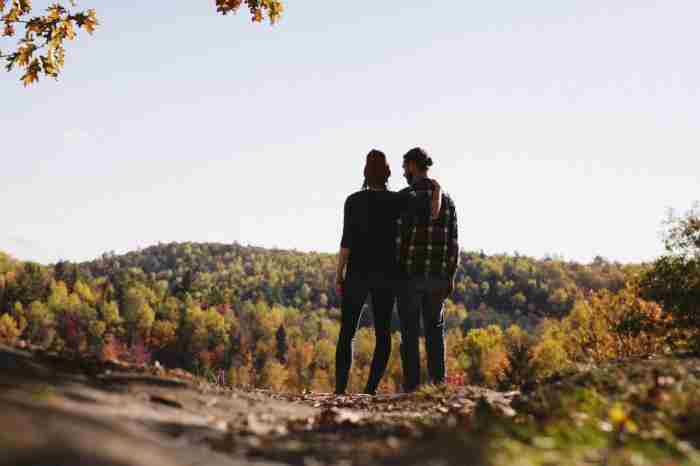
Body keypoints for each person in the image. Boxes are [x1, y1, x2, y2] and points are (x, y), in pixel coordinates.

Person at [334, 149, 441, 395]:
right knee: (383, 335)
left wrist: (339, 273)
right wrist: (437, 189)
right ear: (388, 173)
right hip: (386, 276)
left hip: (357, 274)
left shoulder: (353, 201)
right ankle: (369, 390)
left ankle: (339, 390)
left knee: (347, 332)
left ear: (364, 173)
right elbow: (433, 212)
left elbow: (346, 241)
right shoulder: (398, 200)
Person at [396, 147, 459, 392]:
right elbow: (454, 243)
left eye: (404, 167)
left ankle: (412, 388)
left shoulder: (406, 197)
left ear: (413, 165)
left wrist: (398, 272)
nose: (403, 172)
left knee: (410, 334)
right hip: (438, 278)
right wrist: (450, 277)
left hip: (410, 277)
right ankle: (438, 386)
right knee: (435, 333)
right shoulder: (448, 201)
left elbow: (399, 241)